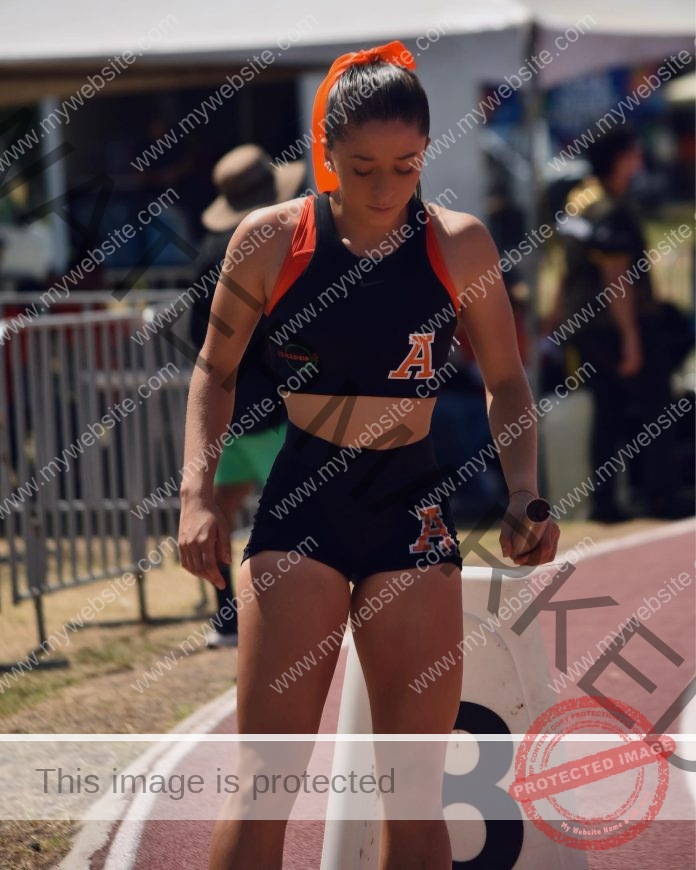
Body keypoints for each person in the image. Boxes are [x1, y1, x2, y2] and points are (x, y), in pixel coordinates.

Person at [178, 39, 559, 870]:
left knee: (414, 794)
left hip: (410, 508)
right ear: (324, 156)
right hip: (302, 506)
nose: (384, 189)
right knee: (268, 782)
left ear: (427, 154)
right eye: (362, 168)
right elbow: (214, 367)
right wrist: (197, 496)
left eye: (405, 166)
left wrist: (525, 491)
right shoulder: (271, 239)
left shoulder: (459, 245)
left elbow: (506, 382)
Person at [187, 144, 306, 647]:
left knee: (219, 506)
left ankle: (228, 619)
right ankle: (286, 616)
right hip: (272, 408)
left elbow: (199, 338)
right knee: (292, 515)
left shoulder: (209, 254)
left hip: (224, 410)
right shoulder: (277, 249)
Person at [553, 126, 691, 522]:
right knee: (656, 408)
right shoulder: (610, 208)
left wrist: (555, 315)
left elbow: (568, 268)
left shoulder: (581, 200)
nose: (639, 160)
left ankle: (606, 503)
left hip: (587, 325)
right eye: (633, 153)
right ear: (619, 158)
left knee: (607, 411)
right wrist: (632, 338)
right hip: (615, 324)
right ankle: (662, 497)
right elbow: (617, 277)